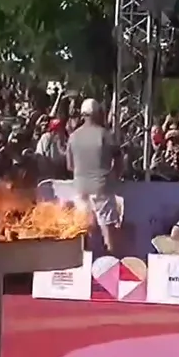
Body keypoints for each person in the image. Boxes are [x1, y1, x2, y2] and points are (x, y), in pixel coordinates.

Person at [66, 98, 122, 254]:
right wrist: (116, 175)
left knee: (84, 228)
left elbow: (69, 166)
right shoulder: (105, 134)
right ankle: (110, 261)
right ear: (98, 114)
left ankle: (84, 264)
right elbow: (118, 158)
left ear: (83, 115)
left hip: (80, 186)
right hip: (101, 185)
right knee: (107, 228)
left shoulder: (73, 136)